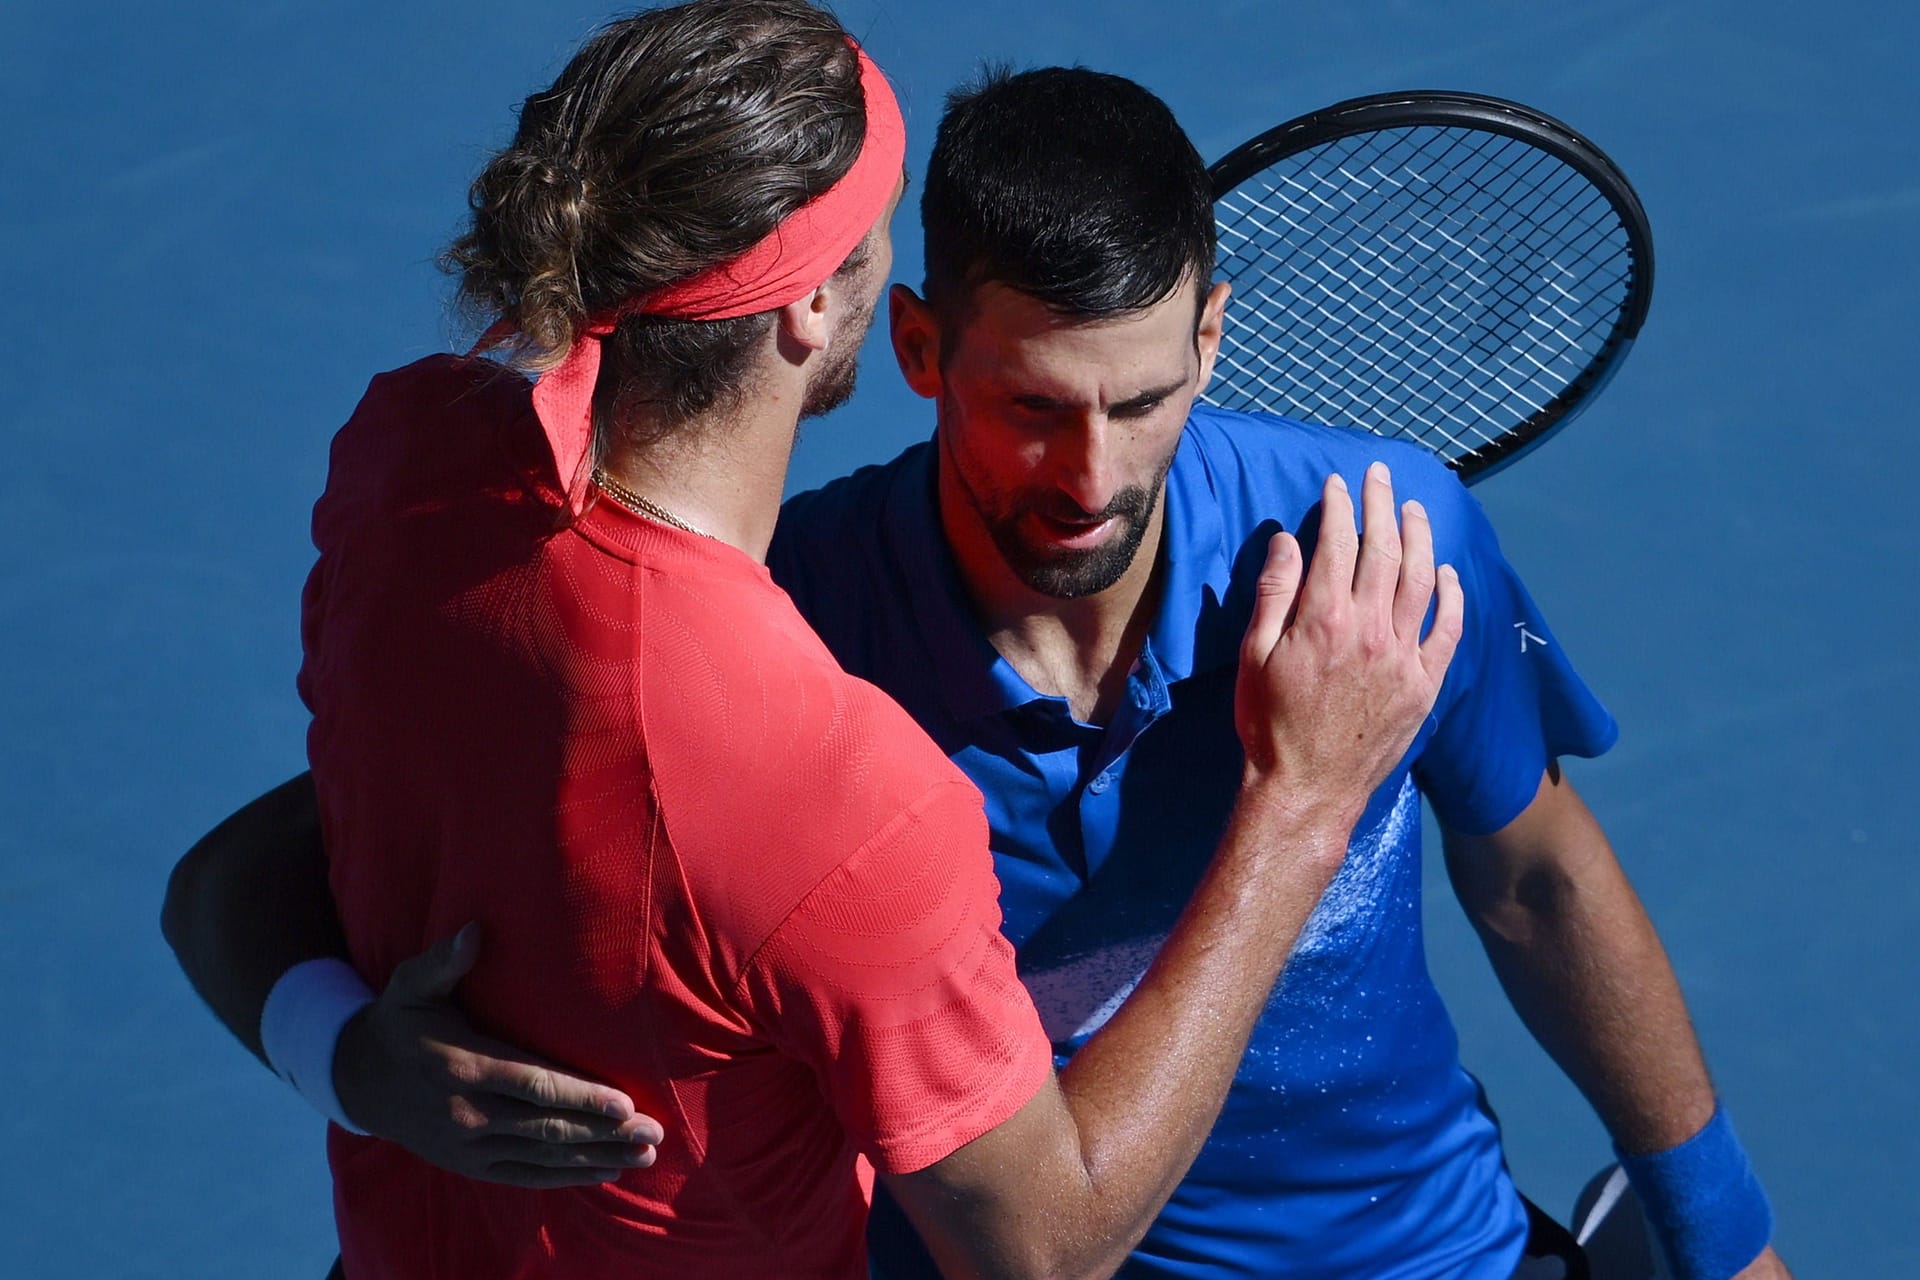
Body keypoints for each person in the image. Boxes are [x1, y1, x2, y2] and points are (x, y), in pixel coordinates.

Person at [161, 56, 1787, 1280]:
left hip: (1410, 1256)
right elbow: (261, 867)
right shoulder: (766, 654)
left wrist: (1729, 1240)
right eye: (1030, 406)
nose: (1088, 471)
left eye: (1144, 400)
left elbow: (1541, 883)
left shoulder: (1376, 543)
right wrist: (344, 1051)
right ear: (922, 350)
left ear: (1214, 340)